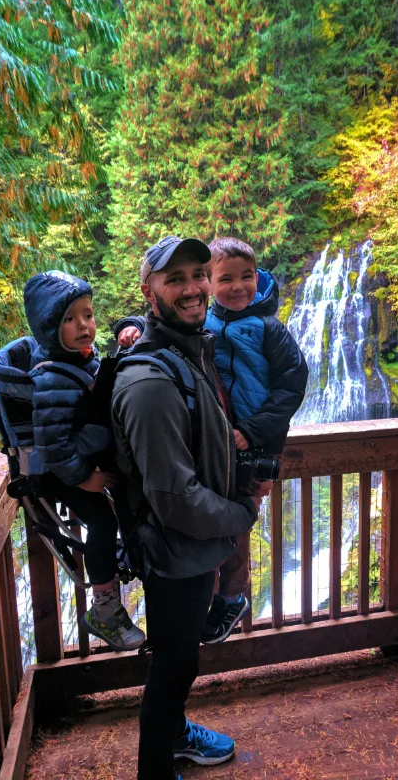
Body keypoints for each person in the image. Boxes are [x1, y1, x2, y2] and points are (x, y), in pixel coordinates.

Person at [110, 236, 264, 780]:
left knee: (181, 659)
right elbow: (174, 498)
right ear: (149, 291)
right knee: (174, 665)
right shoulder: (151, 381)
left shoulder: (186, 353)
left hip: (194, 547)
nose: (194, 288)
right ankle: (155, 768)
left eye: (199, 274)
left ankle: (175, 737)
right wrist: (241, 516)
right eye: (175, 278)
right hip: (176, 549)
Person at [116, 235, 308, 644]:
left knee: (238, 523)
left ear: (259, 278)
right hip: (222, 441)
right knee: (222, 514)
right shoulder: (206, 321)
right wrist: (129, 327)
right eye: (224, 279)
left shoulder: (270, 328)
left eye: (247, 277)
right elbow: (162, 322)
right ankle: (217, 597)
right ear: (212, 284)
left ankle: (232, 597)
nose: (238, 286)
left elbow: (293, 385)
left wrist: (255, 432)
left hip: (256, 440)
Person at [23, 270, 146, 651]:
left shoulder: (78, 360)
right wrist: (83, 479)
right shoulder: (51, 379)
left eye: (88, 315)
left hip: (83, 461)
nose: (84, 325)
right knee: (102, 520)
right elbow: (54, 445)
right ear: (48, 328)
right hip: (62, 472)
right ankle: (104, 610)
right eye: (70, 319)